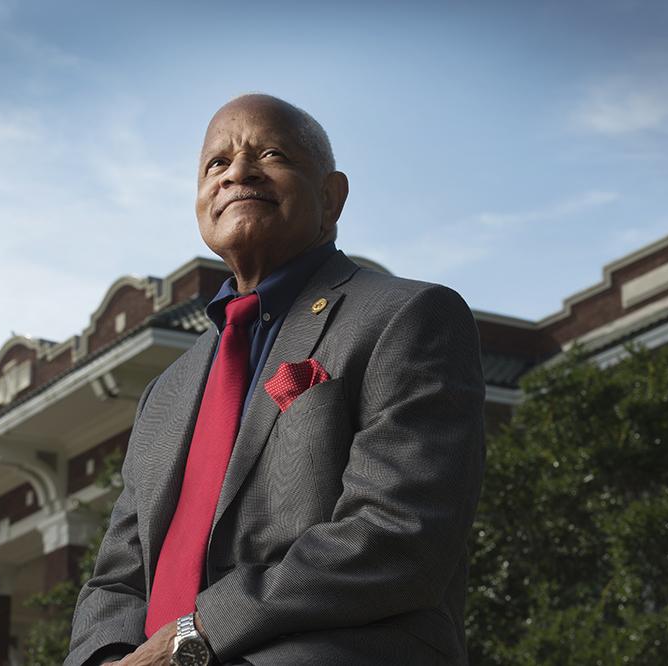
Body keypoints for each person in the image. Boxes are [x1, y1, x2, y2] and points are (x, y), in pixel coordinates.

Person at [65, 93, 485, 666]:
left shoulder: (406, 317)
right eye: (217, 164)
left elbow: (397, 534)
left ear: (332, 197)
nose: (238, 171)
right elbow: (115, 579)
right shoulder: (165, 391)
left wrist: (193, 636)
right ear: (199, 202)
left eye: (270, 154)